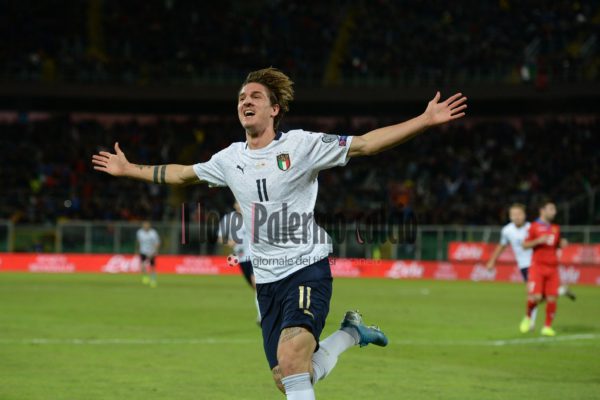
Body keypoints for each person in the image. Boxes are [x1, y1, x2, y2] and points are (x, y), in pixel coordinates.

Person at [92, 67, 467, 399]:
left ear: (274, 109)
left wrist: (424, 120)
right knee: (286, 377)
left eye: (255, 96)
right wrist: (130, 170)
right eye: (241, 97)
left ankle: (347, 335)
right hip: (268, 281)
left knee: (290, 357)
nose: (245, 101)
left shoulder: (301, 145)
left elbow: (366, 144)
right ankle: (352, 334)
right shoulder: (229, 159)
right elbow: (182, 174)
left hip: (306, 267)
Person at [487, 203, 575, 330]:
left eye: (519, 214)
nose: (516, 217)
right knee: (536, 295)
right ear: (510, 216)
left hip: (535, 264)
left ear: (524, 215)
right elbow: (502, 245)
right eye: (513, 214)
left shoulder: (532, 227)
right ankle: (558, 292)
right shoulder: (507, 230)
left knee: (534, 295)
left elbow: (551, 240)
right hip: (523, 265)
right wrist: (492, 261)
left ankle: (531, 322)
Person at [520, 199, 568, 336]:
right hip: (538, 267)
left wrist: (562, 244)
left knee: (552, 298)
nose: (554, 212)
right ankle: (528, 317)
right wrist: (537, 241)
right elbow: (524, 245)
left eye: (554, 209)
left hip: (553, 268)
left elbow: (557, 244)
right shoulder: (533, 227)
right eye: (551, 209)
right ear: (542, 210)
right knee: (536, 297)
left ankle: (547, 327)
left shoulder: (556, 228)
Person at [218, 201, 261, 324]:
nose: (239, 205)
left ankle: (262, 316)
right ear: (234, 205)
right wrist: (228, 242)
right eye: (237, 202)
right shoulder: (228, 219)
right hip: (241, 258)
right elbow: (220, 237)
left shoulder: (254, 216)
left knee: (256, 284)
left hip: (256, 256)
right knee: (255, 288)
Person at [135, 221, 161, 288]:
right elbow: (138, 241)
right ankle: (145, 277)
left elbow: (157, 243)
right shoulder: (140, 232)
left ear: (149, 226)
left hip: (151, 252)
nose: (145, 226)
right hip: (143, 251)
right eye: (144, 225)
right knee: (143, 265)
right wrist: (137, 249)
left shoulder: (153, 233)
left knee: (152, 267)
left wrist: (155, 251)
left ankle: (153, 280)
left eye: (147, 225)